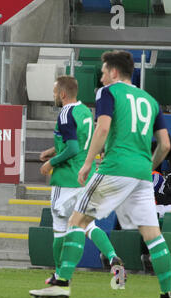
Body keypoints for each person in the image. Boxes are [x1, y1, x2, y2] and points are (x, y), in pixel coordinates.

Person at [30, 50, 171, 298]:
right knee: (153, 235)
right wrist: (147, 165)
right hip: (141, 173)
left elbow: (103, 128)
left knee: (76, 222)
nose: (101, 77)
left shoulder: (108, 93)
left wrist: (87, 164)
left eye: (104, 72)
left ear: (114, 72)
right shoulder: (150, 101)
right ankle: (166, 293)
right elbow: (165, 145)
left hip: (115, 167)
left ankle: (61, 284)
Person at [38, 76, 121, 285]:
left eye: (55, 91)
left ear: (63, 94)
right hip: (87, 176)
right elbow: (78, 142)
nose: (54, 95)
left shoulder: (65, 114)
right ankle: (112, 257)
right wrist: (51, 150)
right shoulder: (84, 110)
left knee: (59, 229)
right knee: (88, 226)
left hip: (67, 179)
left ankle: (59, 275)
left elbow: (73, 148)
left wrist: (51, 163)